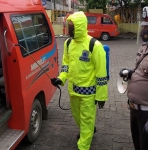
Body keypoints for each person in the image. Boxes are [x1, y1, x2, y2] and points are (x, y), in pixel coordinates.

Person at [51, 11, 108, 150]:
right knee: (78, 117)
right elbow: (66, 64)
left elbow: (101, 73)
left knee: (87, 119)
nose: (68, 29)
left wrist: (101, 96)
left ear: (80, 26)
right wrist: (61, 78)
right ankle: (88, 131)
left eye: (71, 26)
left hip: (89, 92)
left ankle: (83, 145)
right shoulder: (68, 43)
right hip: (73, 90)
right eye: (68, 26)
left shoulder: (95, 46)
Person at [119, 21, 148, 150]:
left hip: (146, 112)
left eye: (147, 27)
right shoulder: (144, 47)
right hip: (134, 109)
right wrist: (131, 73)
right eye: (143, 26)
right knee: (137, 144)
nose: (144, 30)